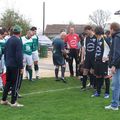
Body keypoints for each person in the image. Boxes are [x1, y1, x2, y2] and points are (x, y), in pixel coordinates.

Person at [0, 25, 24, 107]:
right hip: (15, 65)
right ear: (20, 32)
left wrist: (7, 63)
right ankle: (13, 102)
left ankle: (3, 100)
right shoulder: (18, 41)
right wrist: (21, 67)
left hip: (8, 64)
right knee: (15, 84)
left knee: (8, 83)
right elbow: (19, 55)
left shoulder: (8, 40)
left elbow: (5, 53)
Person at [91, 26, 110, 98]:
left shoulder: (105, 39)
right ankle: (98, 92)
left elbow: (112, 49)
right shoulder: (97, 40)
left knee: (106, 77)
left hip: (104, 62)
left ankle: (107, 93)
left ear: (96, 32)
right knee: (98, 76)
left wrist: (108, 57)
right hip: (97, 61)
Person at [105, 22, 120, 110]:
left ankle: (114, 105)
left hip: (117, 65)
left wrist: (114, 65)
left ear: (112, 29)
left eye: (110, 29)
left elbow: (117, 53)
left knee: (115, 85)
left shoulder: (117, 37)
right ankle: (117, 103)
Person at [81, 25, 97, 90]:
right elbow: (84, 48)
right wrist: (82, 58)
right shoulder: (86, 38)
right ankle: (84, 86)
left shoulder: (96, 37)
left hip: (94, 58)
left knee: (93, 71)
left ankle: (93, 84)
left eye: (87, 31)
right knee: (85, 71)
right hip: (87, 57)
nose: (86, 32)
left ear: (90, 30)